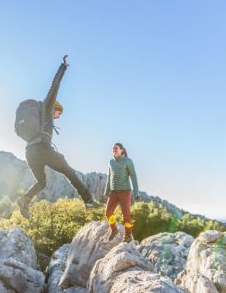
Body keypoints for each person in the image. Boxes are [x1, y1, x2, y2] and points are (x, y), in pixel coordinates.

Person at [17, 55, 100, 219]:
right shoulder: (47, 107)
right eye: (58, 113)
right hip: (42, 150)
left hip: (30, 153)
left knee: (41, 182)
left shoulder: (41, 119)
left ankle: (25, 200)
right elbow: (54, 86)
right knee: (69, 172)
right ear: (55, 107)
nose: (58, 116)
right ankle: (89, 201)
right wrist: (63, 67)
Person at [104, 142, 139, 242]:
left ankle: (128, 235)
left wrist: (136, 192)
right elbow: (109, 177)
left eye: (116, 148)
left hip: (125, 192)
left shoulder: (128, 161)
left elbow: (133, 176)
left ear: (121, 150)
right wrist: (106, 191)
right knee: (108, 212)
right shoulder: (111, 162)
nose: (114, 150)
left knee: (126, 216)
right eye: (113, 148)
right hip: (113, 192)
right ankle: (114, 229)